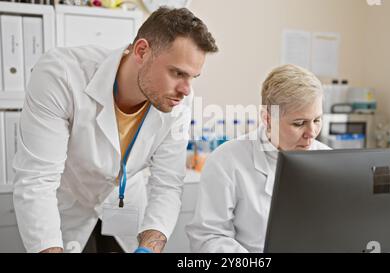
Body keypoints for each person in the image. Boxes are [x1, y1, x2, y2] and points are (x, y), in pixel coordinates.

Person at [13, 7, 218, 253]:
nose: (186, 89)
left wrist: (150, 248)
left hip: (126, 209)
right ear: (142, 51)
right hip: (64, 210)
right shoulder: (61, 76)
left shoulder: (176, 102)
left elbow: (167, 185)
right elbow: (37, 180)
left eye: (193, 77)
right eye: (177, 73)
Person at [185, 64, 331, 253]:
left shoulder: (328, 159)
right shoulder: (227, 161)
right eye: (299, 123)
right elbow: (208, 238)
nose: (311, 133)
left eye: (317, 120)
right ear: (268, 119)